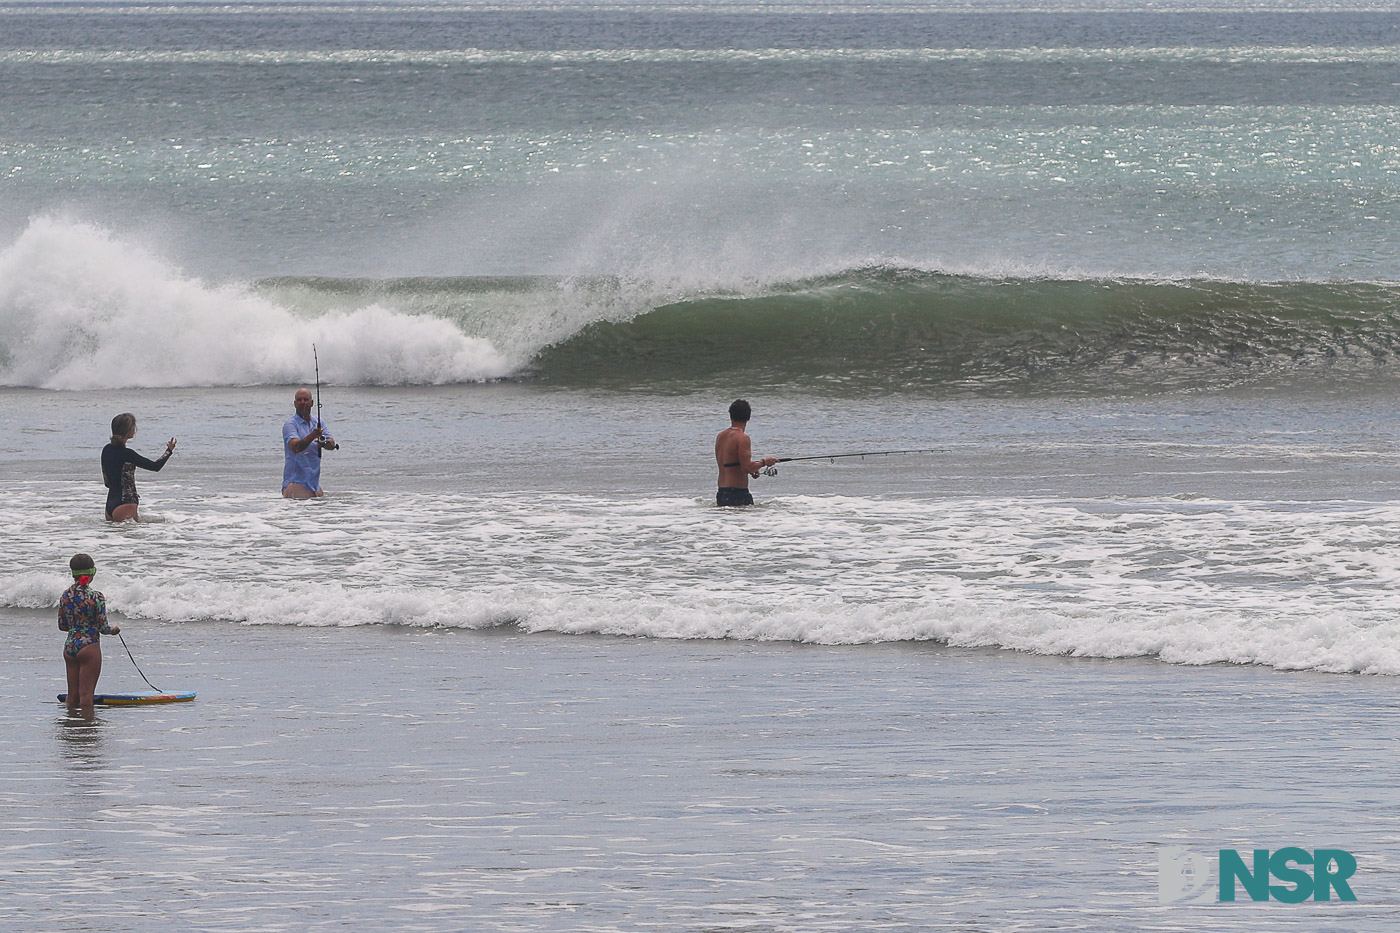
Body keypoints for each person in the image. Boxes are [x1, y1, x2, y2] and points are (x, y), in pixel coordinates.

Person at [59, 553, 118, 714]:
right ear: (92, 573)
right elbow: (103, 627)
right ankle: (86, 732)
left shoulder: (65, 596)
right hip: (89, 646)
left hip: (70, 646)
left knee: (72, 695)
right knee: (86, 696)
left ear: (73, 573)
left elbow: (62, 625)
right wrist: (115, 630)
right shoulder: (96, 596)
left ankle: (71, 727)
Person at [102, 413, 176, 522]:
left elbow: (107, 482)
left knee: (114, 537)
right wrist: (168, 451)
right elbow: (155, 466)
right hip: (126, 503)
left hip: (110, 503)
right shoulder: (127, 454)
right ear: (128, 431)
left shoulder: (106, 450)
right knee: (132, 538)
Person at [714, 398, 777, 507]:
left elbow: (732, 463)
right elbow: (746, 467)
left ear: (730, 416)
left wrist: (753, 469)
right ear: (748, 418)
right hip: (737, 494)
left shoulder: (721, 436)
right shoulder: (742, 437)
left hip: (722, 492)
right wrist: (764, 462)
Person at [282, 386, 338, 498]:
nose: (303, 402)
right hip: (296, 483)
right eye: (299, 400)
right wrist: (313, 435)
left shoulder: (318, 422)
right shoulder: (290, 425)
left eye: (306, 399)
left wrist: (324, 442)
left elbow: (331, 444)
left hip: (314, 485)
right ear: (295, 404)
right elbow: (296, 447)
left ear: (312, 403)